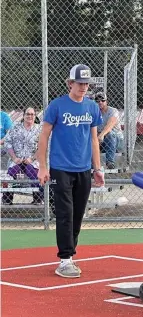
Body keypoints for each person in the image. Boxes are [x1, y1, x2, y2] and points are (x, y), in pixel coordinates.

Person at [37, 64, 105, 279]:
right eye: (80, 83)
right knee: (65, 213)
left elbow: (94, 139)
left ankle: (70, 254)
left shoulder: (92, 107)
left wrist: (98, 168)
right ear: (70, 83)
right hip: (60, 168)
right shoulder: (57, 106)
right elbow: (44, 136)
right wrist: (42, 167)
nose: (84, 87)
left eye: (86, 83)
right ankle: (65, 259)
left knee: (77, 215)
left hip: (84, 169)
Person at [2, 107, 42, 205]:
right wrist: (14, 158)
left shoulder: (39, 129)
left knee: (33, 174)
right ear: (23, 116)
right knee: (10, 175)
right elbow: (7, 142)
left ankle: (37, 199)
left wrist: (32, 158)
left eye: (32, 114)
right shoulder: (15, 128)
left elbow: (42, 146)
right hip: (17, 159)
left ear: (35, 116)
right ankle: (7, 199)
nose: (30, 116)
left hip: (32, 160)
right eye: (27, 114)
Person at [94, 91, 124, 169]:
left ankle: (110, 162)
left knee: (110, 133)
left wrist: (101, 135)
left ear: (106, 101)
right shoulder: (95, 113)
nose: (100, 102)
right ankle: (91, 165)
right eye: (97, 101)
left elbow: (110, 125)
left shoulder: (113, 111)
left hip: (116, 141)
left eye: (102, 100)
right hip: (102, 141)